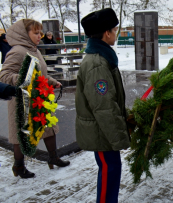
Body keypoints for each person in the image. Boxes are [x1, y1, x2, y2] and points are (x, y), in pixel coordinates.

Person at [0, 19, 70, 179]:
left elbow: (41, 74)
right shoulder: (17, 51)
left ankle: (53, 158)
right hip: (22, 102)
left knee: (49, 128)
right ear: (24, 34)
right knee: (21, 135)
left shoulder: (34, 50)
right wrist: (27, 79)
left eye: (41, 33)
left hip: (39, 99)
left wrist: (52, 82)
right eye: (36, 33)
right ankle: (18, 166)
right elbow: (4, 75)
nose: (40, 36)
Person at [77, 8, 130, 203]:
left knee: (110, 169)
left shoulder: (101, 57)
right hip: (103, 132)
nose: (116, 33)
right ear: (107, 33)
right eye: (115, 30)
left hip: (103, 131)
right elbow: (104, 107)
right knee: (110, 170)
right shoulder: (98, 64)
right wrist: (119, 138)